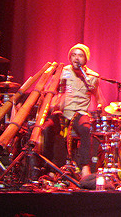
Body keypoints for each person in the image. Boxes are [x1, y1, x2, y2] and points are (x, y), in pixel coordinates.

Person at [43, 43, 107, 179]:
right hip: (62, 112)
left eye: (80, 55)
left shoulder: (92, 76)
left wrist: (101, 109)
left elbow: (99, 98)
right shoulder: (63, 71)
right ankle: (52, 168)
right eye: (74, 55)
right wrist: (55, 102)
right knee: (47, 128)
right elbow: (49, 92)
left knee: (85, 129)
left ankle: (85, 167)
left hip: (80, 113)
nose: (76, 58)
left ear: (86, 59)